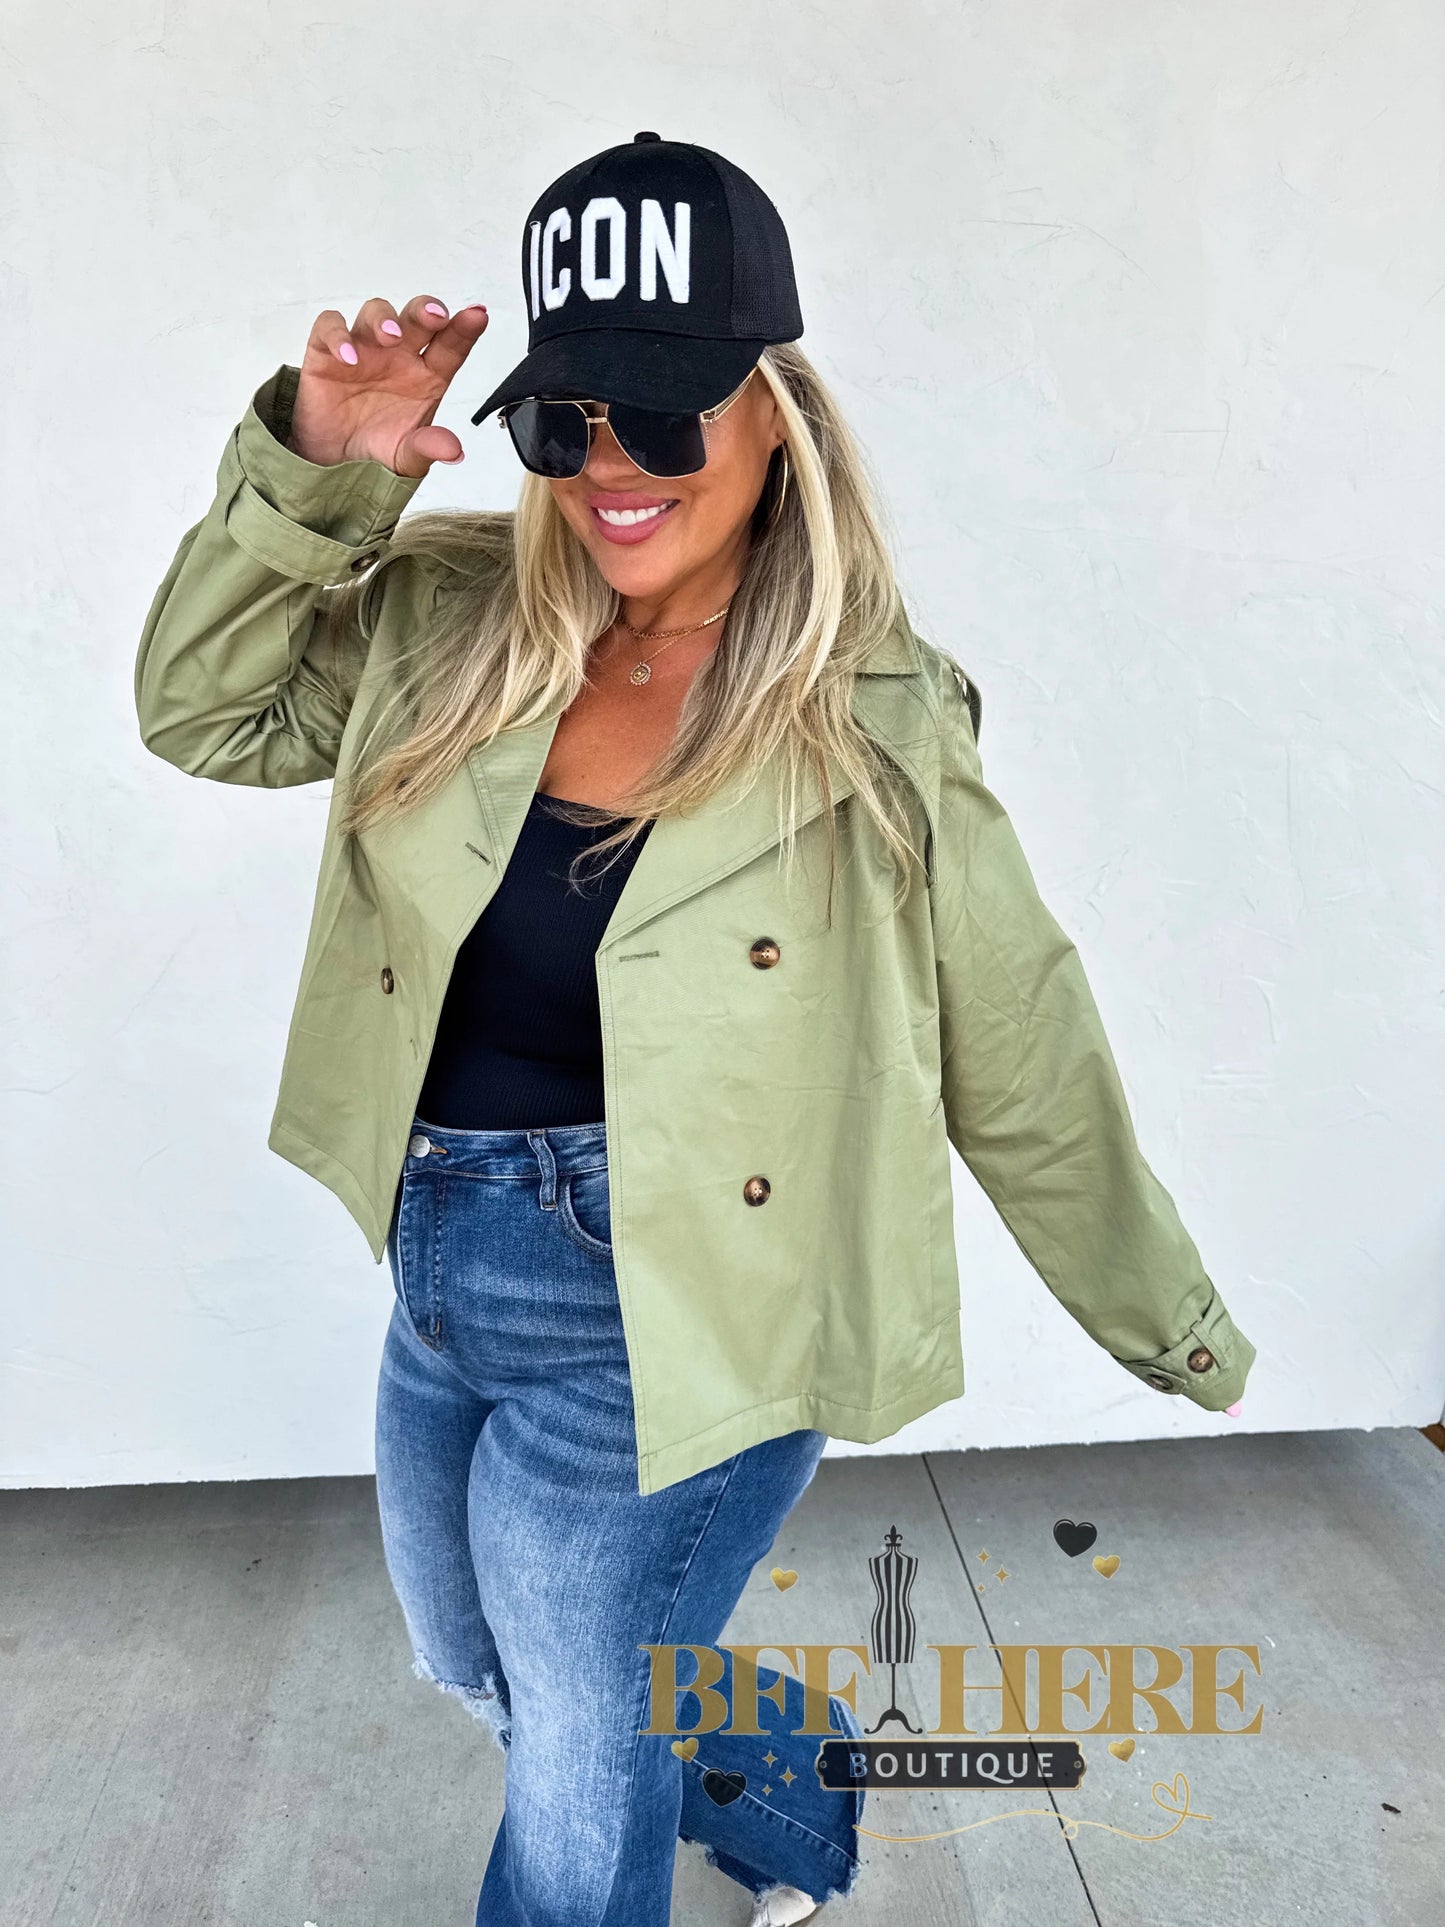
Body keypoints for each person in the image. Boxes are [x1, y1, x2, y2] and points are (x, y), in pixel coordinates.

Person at [134, 132, 1255, 1926]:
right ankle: (794, 1783)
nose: (609, 467)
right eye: (560, 421)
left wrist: (1162, 1317)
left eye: (662, 417)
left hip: (686, 1303)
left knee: (576, 1779)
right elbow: (201, 713)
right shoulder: (447, 619)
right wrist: (318, 473)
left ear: (773, 419)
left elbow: (1018, 1033)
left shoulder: (873, 713)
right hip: (445, 1253)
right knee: (478, 1662)